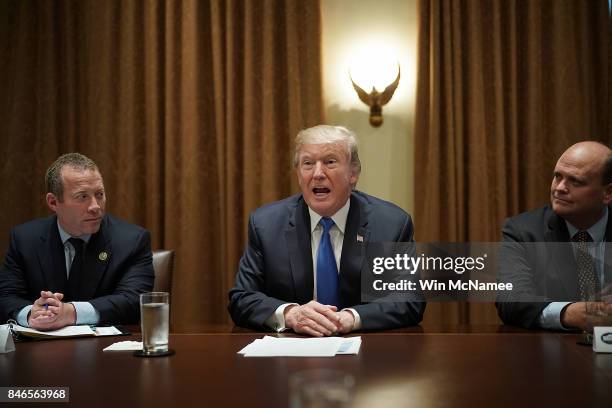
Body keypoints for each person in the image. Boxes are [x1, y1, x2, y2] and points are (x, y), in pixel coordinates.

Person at [228, 125, 425, 336]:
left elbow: (410, 298)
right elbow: (242, 298)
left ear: (353, 173)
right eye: (308, 163)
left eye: (330, 162)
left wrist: (351, 318)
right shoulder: (266, 224)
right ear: (298, 173)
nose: (318, 173)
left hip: (367, 355)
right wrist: (291, 314)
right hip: (291, 353)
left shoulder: (390, 224)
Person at [0, 153, 154, 330]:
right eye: (82, 197)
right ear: (53, 202)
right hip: (41, 351)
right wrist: (31, 314)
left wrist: (71, 312)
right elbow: (6, 296)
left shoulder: (131, 241)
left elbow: (134, 301)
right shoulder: (25, 239)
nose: (95, 206)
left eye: (99, 194)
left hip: (105, 351)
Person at [496, 141, 612, 330]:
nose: (559, 188)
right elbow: (510, 300)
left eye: (575, 181)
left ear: (608, 192)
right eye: (558, 177)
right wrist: (570, 313)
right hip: (552, 352)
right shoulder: (523, 231)